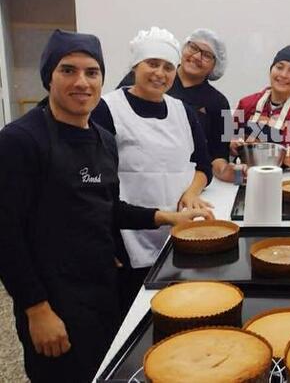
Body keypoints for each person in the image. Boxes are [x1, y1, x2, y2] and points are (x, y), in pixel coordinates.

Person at [0, 30, 213, 383]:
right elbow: (6, 235)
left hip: (101, 283)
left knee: (106, 370)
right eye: (68, 70)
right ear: (48, 76)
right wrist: (36, 309)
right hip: (54, 295)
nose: (81, 82)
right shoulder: (21, 141)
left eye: (91, 72)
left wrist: (165, 216)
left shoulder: (103, 140)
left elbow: (107, 207)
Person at [92, 27, 214, 313]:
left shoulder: (182, 110)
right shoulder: (107, 109)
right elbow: (97, 189)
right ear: (136, 65)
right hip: (127, 234)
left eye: (168, 67)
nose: (160, 73)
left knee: (179, 308)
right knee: (134, 314)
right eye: (153, 64)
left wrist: (193, 191)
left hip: (179, 229)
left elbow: (203, 163)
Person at [118, 29, 235, 182]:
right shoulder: (144, 79)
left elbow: (220, 154)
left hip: (193, 180)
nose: (197, 56)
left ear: (216, 65)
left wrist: (229, 173)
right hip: (132, 173)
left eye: (207, 55)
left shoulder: (221, 103)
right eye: (193, 47)